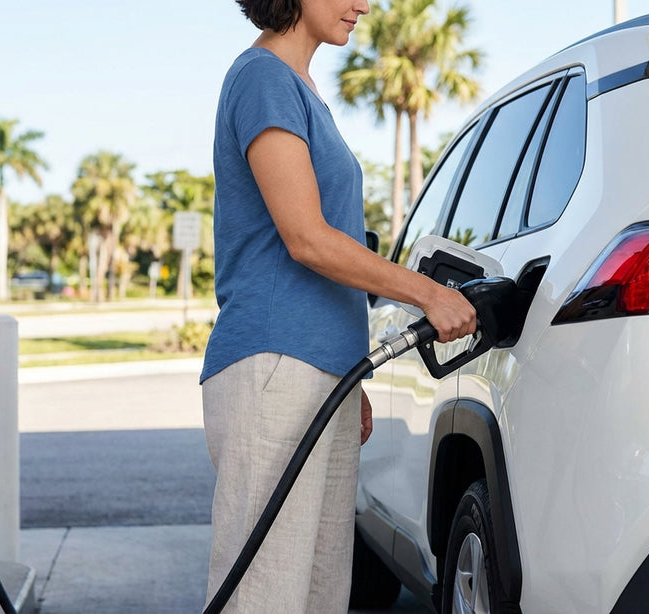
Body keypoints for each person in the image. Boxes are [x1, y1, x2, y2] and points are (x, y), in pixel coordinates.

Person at [200, 0, 477, 611]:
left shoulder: (302, 92)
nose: (364, 5)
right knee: (264, 598)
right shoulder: (262, 78)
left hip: (318, 377)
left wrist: (348, 379)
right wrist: (429, 293)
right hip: (273, 368)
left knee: (320, 596)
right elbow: (308, 238)